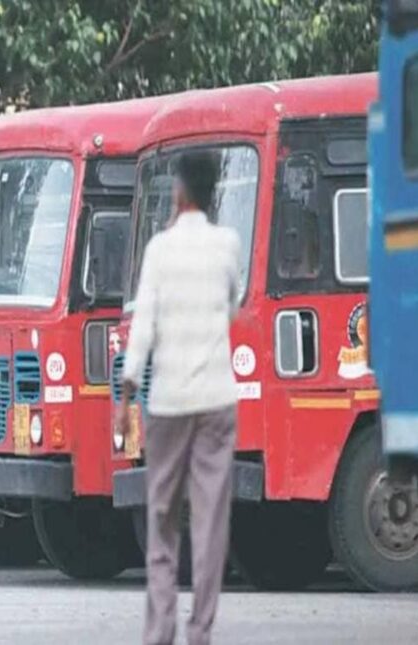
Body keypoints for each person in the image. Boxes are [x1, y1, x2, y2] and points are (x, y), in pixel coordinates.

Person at [116, 150, 240, 645]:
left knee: (162, 517)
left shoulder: (160, 250)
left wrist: (126, 394)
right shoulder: (227, 244)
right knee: (210, 520)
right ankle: (200, 630)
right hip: (216, 400)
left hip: (168, 403)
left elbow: (143, 327)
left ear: (180, 192)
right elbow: (232, 306)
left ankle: (160, 630)